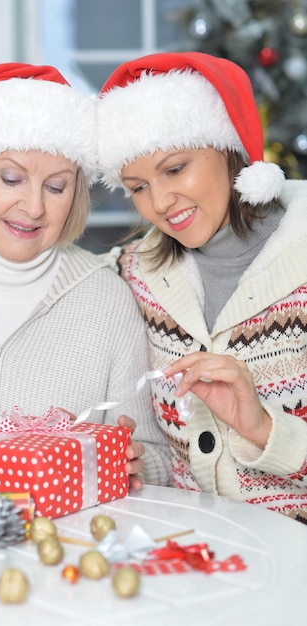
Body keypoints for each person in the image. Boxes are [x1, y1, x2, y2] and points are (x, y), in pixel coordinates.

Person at [0, 62, 171, 489]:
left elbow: (158, 456)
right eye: (11, 178)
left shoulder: (109, 301)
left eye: (56, 187)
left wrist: (138, 467)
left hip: (58, 552)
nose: (34, 207)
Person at [96, 51, 307, 521]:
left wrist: (264, 427)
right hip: (191, 558)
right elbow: (46, 271)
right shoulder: (136, 270)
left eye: (174, 169)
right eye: (137, 186)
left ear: (228, 145)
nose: (160, 202)